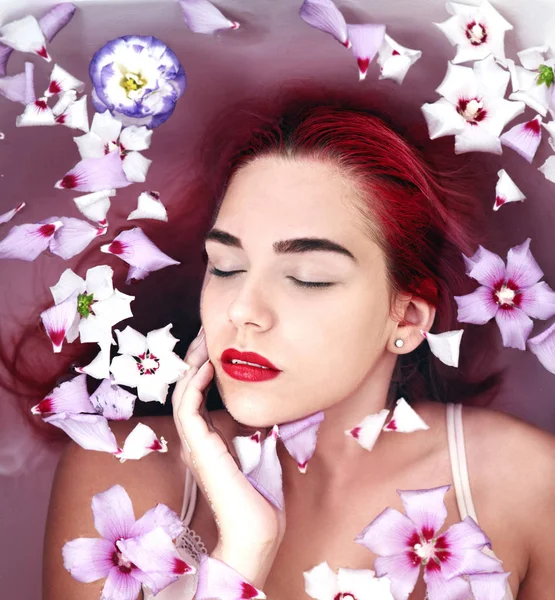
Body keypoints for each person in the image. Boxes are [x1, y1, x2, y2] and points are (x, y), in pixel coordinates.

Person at [41, 95, 555, 600]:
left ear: (408, 317)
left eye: (307, 278)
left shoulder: (529, 484)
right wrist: (244, 551)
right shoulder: (116, 469)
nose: (244, 309)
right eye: (225, 267)